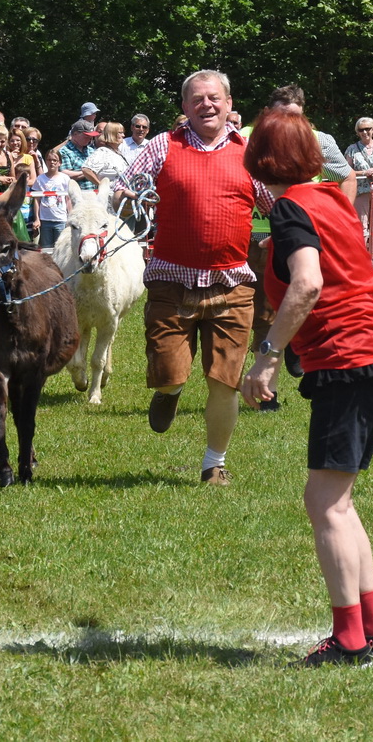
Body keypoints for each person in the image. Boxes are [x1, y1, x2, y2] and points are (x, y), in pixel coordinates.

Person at [239, 108, 373, 667]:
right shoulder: (332, 198)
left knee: (325, 503)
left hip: (350, 361)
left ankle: (349, 641)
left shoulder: (291, 208)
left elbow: (308, 282)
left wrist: (266, 357)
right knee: (338, 500)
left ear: (260, 160)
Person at [122, 70, 273, 485]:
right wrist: (127, 196)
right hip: (171, 284)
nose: (206, 105)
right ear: (185, 107)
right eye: (197, 99)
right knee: (171, 374)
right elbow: (124, 185)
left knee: (224, 382)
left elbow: (278, 203)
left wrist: (292, 237)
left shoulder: (250, 152)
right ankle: (169, 391)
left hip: (233, 286)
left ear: (229, 104)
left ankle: (213, 464)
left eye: (214, 98)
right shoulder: (161, 145)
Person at [345, 118, 373, 262]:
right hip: (360, 191)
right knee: (361, 226)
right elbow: (347, 171)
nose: (365, 132)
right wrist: (364, 173)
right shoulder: (352, 149)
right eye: (361, 130)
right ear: (357, 132)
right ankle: (361, 259)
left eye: (368, 129)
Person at [34, 149, 76, 249]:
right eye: (49, 160)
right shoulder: (40, 179)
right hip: (45, 219)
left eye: (55, 160)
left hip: (61, 219)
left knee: (61, 247)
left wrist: (70, 216)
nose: (51, 162)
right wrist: (37, 218)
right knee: (46, 248)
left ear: (59, 163)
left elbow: (68, 199)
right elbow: (36, 199)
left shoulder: (65, 178)